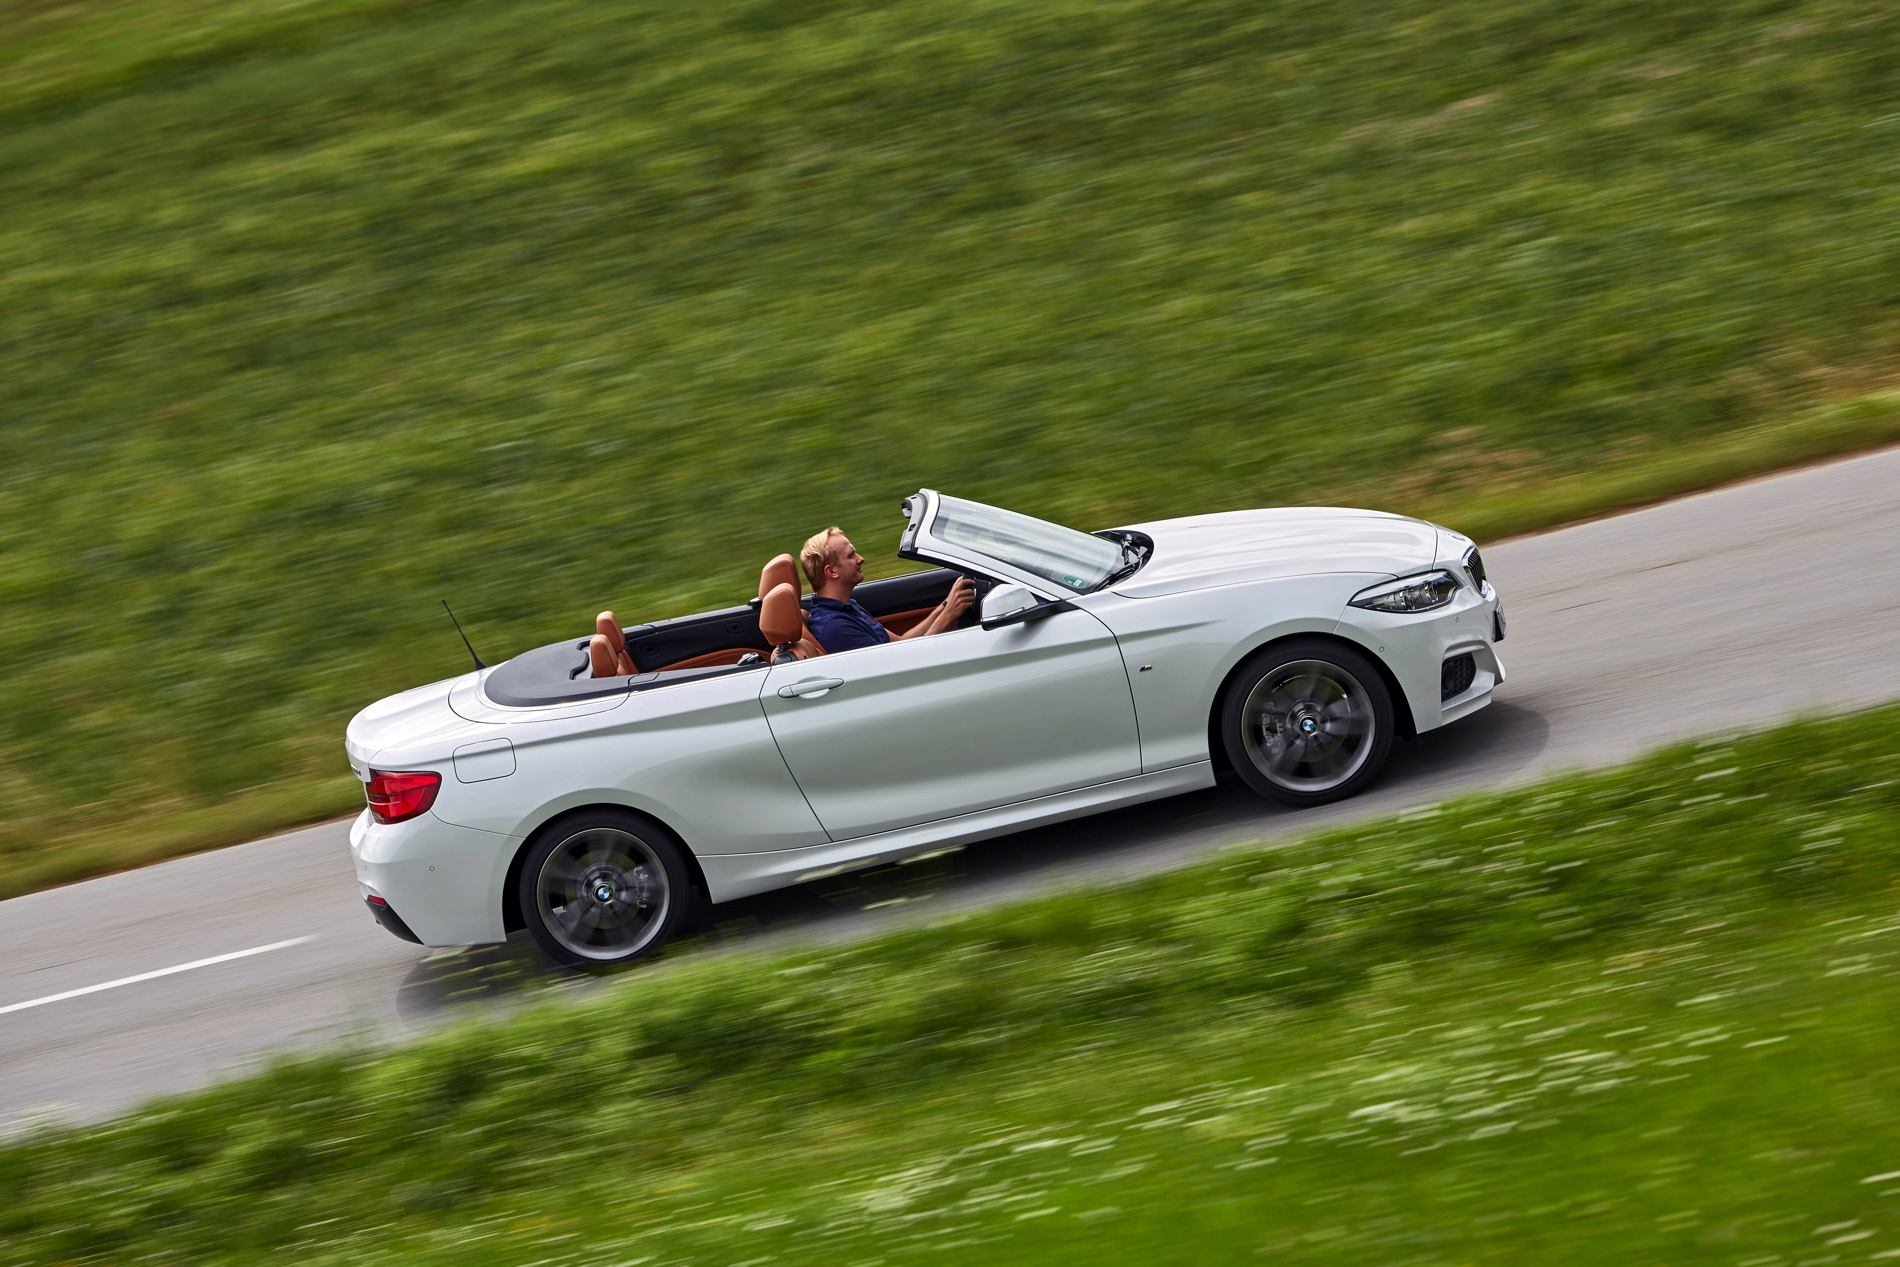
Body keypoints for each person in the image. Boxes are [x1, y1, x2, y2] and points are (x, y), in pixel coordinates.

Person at [801, 526, 974, 652]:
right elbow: (906, 663)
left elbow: (901, 642)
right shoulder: (836, 627)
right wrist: (948, 615)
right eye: (851, 555)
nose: (861, 559)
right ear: (832, 571)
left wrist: (946, 604)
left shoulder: (847, 607)